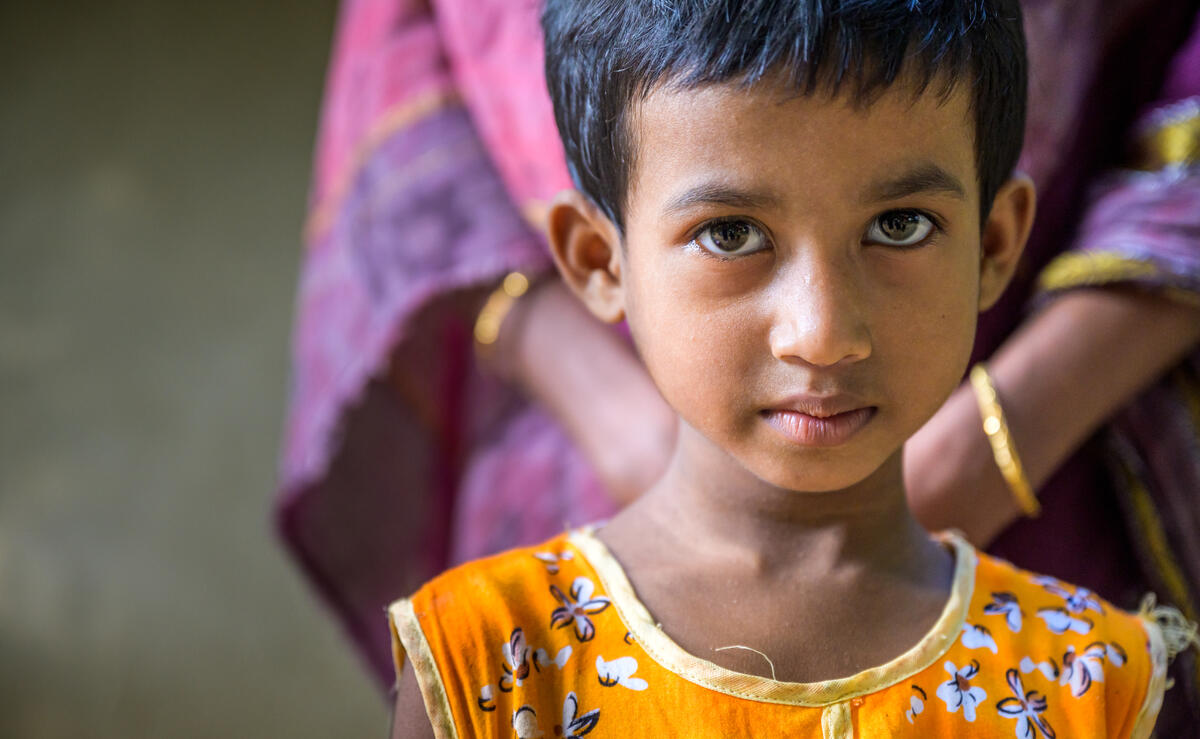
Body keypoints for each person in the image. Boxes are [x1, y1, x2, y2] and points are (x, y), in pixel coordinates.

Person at [276, 0, 1200, 728]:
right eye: (731, 233)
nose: (823, 333)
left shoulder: (1095, 680)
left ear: (997, 243)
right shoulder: (487, 661)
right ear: (598, 261)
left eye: (900, 226)